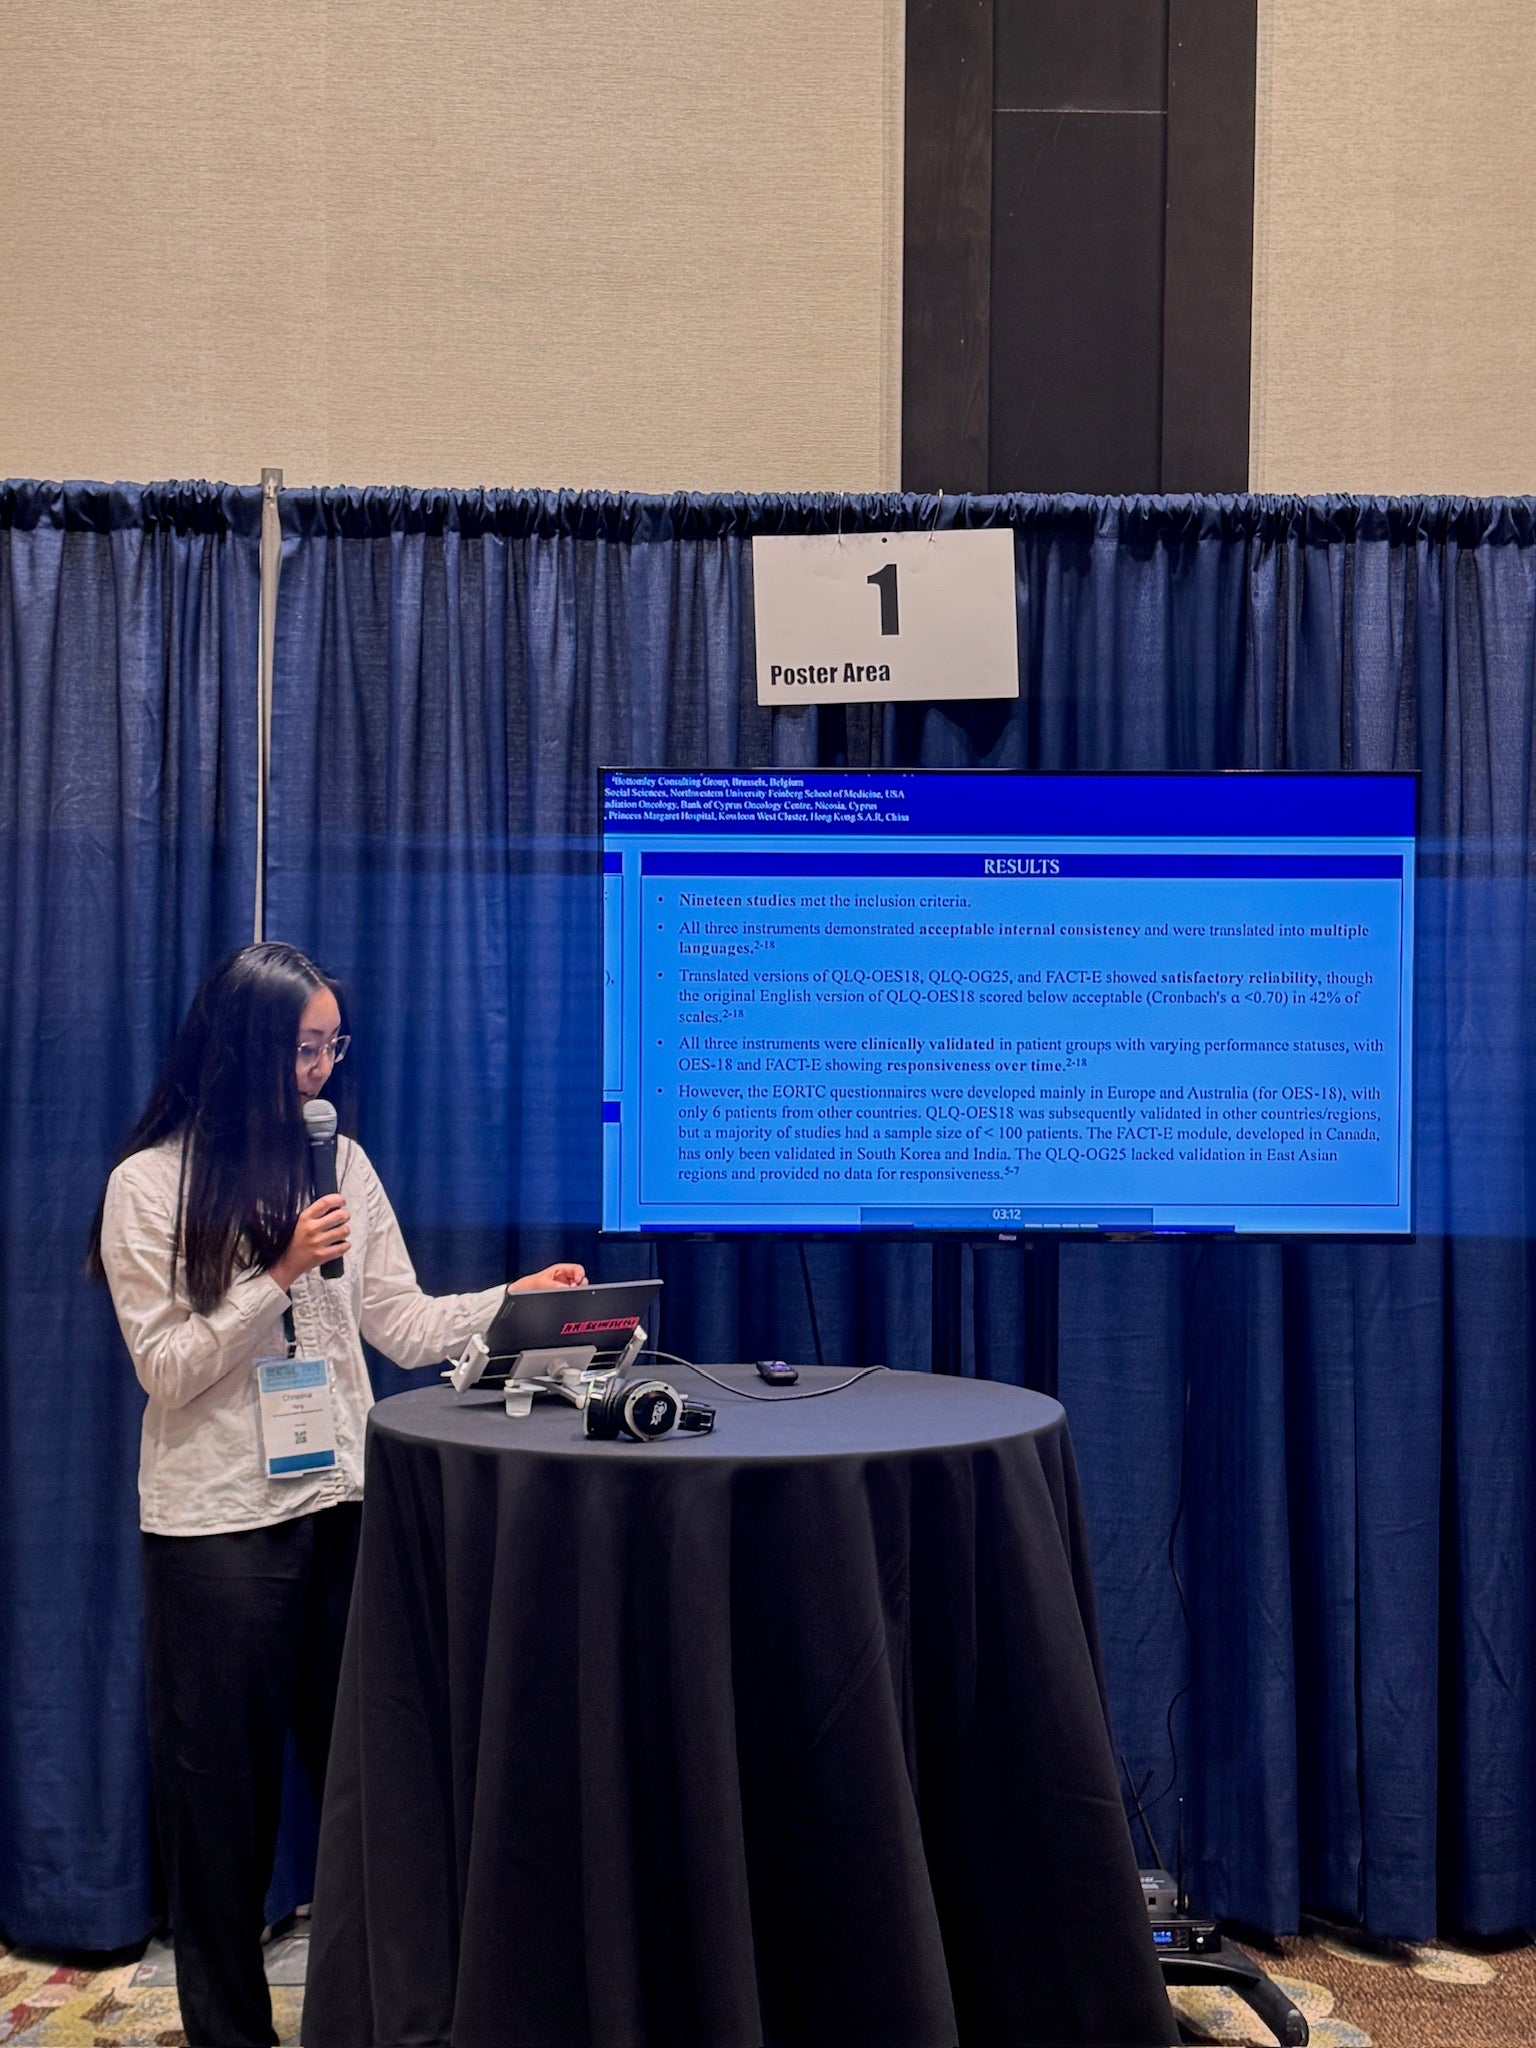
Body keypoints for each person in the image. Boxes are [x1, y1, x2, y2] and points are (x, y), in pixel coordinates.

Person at [88, 942, 585, 2048]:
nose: (320, 1069)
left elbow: (400, 1322)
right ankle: (229, 2031)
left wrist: (518, 1298)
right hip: (216, 1524)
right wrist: (274, 1278)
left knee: (374, 1782)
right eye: (302, 1046)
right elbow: (166, 1366)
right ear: (242, 1047)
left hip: (343, 1505)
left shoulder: (342, 1164)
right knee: (220, 1804)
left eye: (331, 1045)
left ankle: (377, 2019)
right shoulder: (147, 1184)